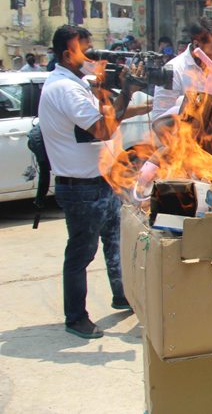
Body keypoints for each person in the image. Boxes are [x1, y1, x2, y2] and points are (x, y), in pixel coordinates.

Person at [38, 25, 141, 339]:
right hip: (82, 187)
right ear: (68, 54)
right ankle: (76, 317)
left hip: (100, 180)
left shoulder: (77, 84)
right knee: (81, 253)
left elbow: (110, 115)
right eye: (87, 49)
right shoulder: (65, 90)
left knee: (114, 242)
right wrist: (127, 91)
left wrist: (143, 102)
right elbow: (102, 129)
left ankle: (122, 294)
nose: (93, 55)